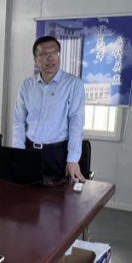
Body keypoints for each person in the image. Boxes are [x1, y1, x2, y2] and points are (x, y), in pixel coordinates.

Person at [13, 36, 86, 182]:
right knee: (27, 192)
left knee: (59, 195)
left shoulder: (73, 84)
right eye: (45, 54)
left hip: (58, 154)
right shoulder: (26, 86)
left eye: (55, 53)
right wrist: (19, 153)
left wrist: (73, 159)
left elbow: (76, 123)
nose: (50, 58)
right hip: (30, 150)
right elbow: (19, 121)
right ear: (35, 59)